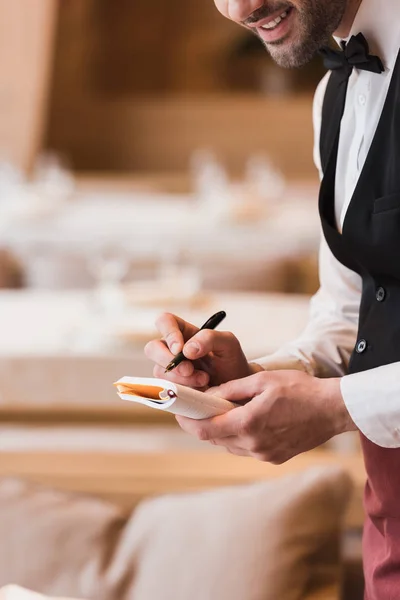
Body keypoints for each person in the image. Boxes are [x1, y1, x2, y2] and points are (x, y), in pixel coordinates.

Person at [145, 1, 400, 597]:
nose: (240, 7)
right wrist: (264, 375)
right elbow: (349, 312)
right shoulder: (334, 96)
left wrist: (337, 406)